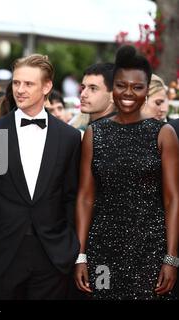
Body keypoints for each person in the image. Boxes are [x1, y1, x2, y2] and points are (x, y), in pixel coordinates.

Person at [0, 54, 81, 299]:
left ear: (47, 87)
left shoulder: (69, 137)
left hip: (52, 255)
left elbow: (72, 195)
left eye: (28, 84)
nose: (19, 90)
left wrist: (69, 246)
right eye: (16, 83)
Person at [74, 45, 179, 300]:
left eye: (137, 87)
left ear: (146, 90)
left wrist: (171, 258)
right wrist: (81, 255)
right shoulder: (94, 134)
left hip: (151, 251)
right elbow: (86, 197)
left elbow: (172, 199)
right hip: (103, 250)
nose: (128, 93)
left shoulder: (163, 133)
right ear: (113, 90)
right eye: (122, 85)